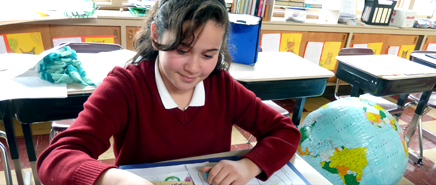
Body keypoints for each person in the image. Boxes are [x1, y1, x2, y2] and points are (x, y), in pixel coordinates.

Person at [36, 0, 301, 184]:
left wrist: (249, 165)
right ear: (156, 36)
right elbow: (56, 158)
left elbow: (285, 131)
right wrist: (112, 178)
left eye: (209, 54)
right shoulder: (125, 87)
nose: (194, 68)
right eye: (181, 50)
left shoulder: (221, 87)